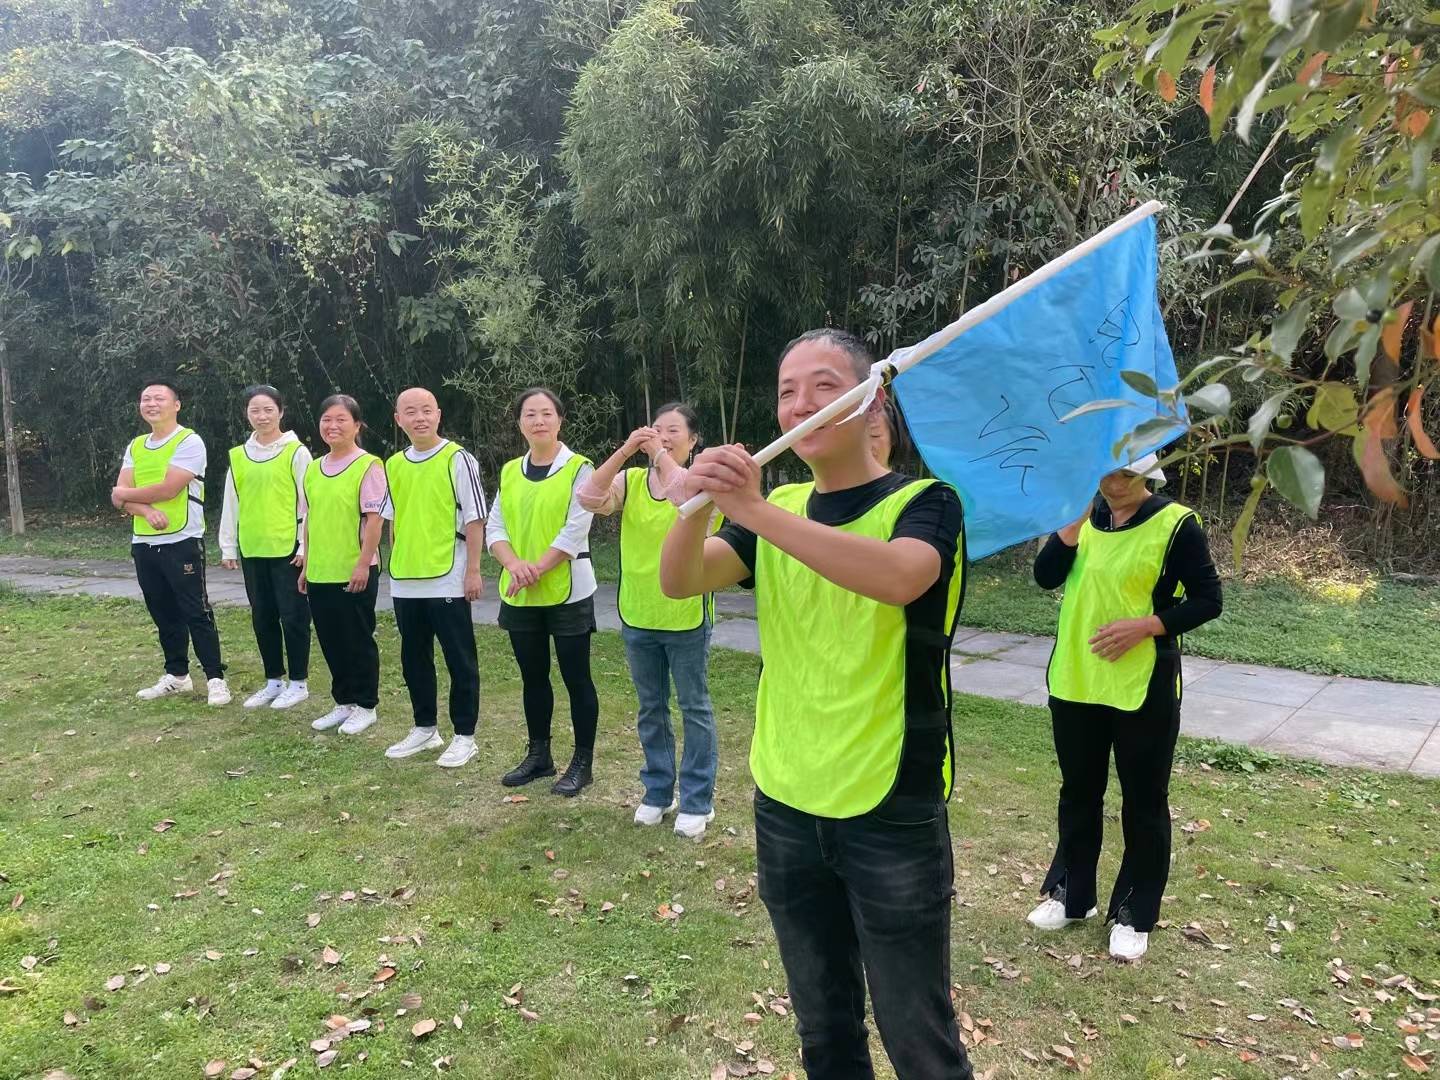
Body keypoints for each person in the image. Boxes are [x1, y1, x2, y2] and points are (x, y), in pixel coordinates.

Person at [661, 329, 973, 1080]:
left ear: (875, 401)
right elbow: (680, 580)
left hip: (890, 801)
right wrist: (699, 506)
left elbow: (901, 577)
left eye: (824, 385)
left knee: (916, 1034)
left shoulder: (925, 502)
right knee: (824, 1026)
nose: (799, 404)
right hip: (786, 796)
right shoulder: (786, 503)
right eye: (786, 391)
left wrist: (755, 510)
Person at [1028, 452, 1222, 961]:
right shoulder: (1083, 520)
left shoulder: (1176, 524)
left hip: (1144, 685)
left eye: (1127, 473)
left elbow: (1208, 599)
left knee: (1144, 800)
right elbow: (1046, 576)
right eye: (1107, 471)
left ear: (1148, 476)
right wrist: (1069, 527)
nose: (1114, 482)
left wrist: (1147, 625)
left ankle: (1135, 913)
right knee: (1078, 794)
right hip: (1076, 680)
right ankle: (1073, 896)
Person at [579, 402, 718, 839]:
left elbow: (684, 499)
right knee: (651, 708)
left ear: (694, 440)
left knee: (693, 707)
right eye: (655, 429)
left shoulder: (702, 480)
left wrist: (658, 453)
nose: (661, 435)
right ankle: (658, 791)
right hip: (638, 612)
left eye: (673, 431)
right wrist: (624, 452)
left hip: (686, 614)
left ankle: (699, 800)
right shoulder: (631, 481)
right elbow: (587, 497)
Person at [486, 387, 600, 797]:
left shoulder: (579, 468)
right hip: (521, 592)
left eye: (546, 414)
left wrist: (538, 567)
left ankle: (582, 762)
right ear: (519, 423)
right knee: (533, 677)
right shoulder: (511, 470)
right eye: (530, 414)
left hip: (568, 591)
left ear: (560, 420)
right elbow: (495, 526)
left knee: (576, 678)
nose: (538, 421)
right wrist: (515, 565)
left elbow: (576, 527)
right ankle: (540, 756)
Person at [380, 387, 487, 768]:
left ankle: (465, 735)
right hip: (406, 578)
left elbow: (475, 517)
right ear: (399, 419)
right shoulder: (393, 464)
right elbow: (391, 521)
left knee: (459, 658)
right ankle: (424, 728)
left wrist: (473, 570)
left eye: (426, 410)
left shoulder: (458, 459)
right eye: (411, 411)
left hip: (448, 576)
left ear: (438, 414)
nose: (419, 418)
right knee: (414, 658)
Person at [111, 379, 231, 706]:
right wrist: (145, 511)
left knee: (196, 610)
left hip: (182, 540)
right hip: (145, 543)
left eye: (159, 398)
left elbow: (169, 488)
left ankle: (216, 678)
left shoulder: (189, 441)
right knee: (163, 611)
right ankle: (177, 676)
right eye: (145, 398)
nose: (152, 403)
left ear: (176, 405)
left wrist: (126, 496)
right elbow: (118, 495)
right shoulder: (136, 446)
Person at [219, 385, 313, 711]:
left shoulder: (296, 452)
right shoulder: (238, 455)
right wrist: (228, 546)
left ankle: (298, 682)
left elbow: (307, 503)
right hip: (253, 547)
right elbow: (231, 503)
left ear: (281, 412)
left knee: (294, 616)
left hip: (287, 548)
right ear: (247, 414)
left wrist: (304, 544)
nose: (261, 416)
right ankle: (274, 680)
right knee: (263, 616)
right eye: (255, 410)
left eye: (268, 410)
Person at [299, 395, 385, 736]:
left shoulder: (369, 466)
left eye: (341, 420)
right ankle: (343, 702)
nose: (333, 426)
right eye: (326, 420)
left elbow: (376, 521)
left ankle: (366, 705)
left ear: (357, 425)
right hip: (320, 570)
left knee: (357, 639)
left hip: (354, 570)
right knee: (331, 639)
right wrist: (306, 563)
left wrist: (364, 564)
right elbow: (309, 519)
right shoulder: (313, 469)